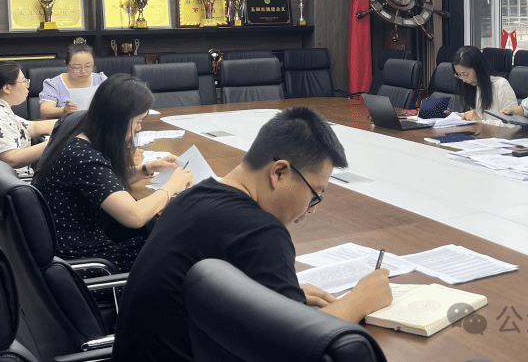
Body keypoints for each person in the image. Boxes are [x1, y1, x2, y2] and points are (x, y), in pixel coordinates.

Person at [112, 106, 393, 362]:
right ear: (279, 172)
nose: (312, 209)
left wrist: (274, 297)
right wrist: (359, 300)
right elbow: (298, 352)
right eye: (314, 194)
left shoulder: (192, 196)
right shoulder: (261, 233)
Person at [34, 74, 191, 271]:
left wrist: (146, 169)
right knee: (179, 250)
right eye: (137, 121)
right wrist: (172, 185)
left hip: (73, 246)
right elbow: (134, 216)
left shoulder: (80, 137)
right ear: (118, 119)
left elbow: (104, 184)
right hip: (85, 259)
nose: (138, 128)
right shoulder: (84, 158)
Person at [0, 61, 56, 177]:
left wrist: (73, 122)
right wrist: (57, 142)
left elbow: (32, 127)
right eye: (24, 81)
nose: (27, 85)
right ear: (7, 88)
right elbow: (12, 159)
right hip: (14, 183)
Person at [40, 42, 108, 119]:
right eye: (77, 67)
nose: (83, 71)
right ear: (66, 65)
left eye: (88, 66)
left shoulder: (101, 80)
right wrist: (63, 111)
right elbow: (44, 111)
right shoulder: (54, 84)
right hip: (68, 125)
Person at [452, 46, 518, 125]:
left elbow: (514, 125)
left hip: (495, 133)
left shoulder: (501, 86)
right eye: (459, 75)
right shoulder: (473, 87)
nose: (463, 80)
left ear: (478, 68)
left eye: (466, 74)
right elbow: (477, 116)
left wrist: (481, 122)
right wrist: (455, 116)